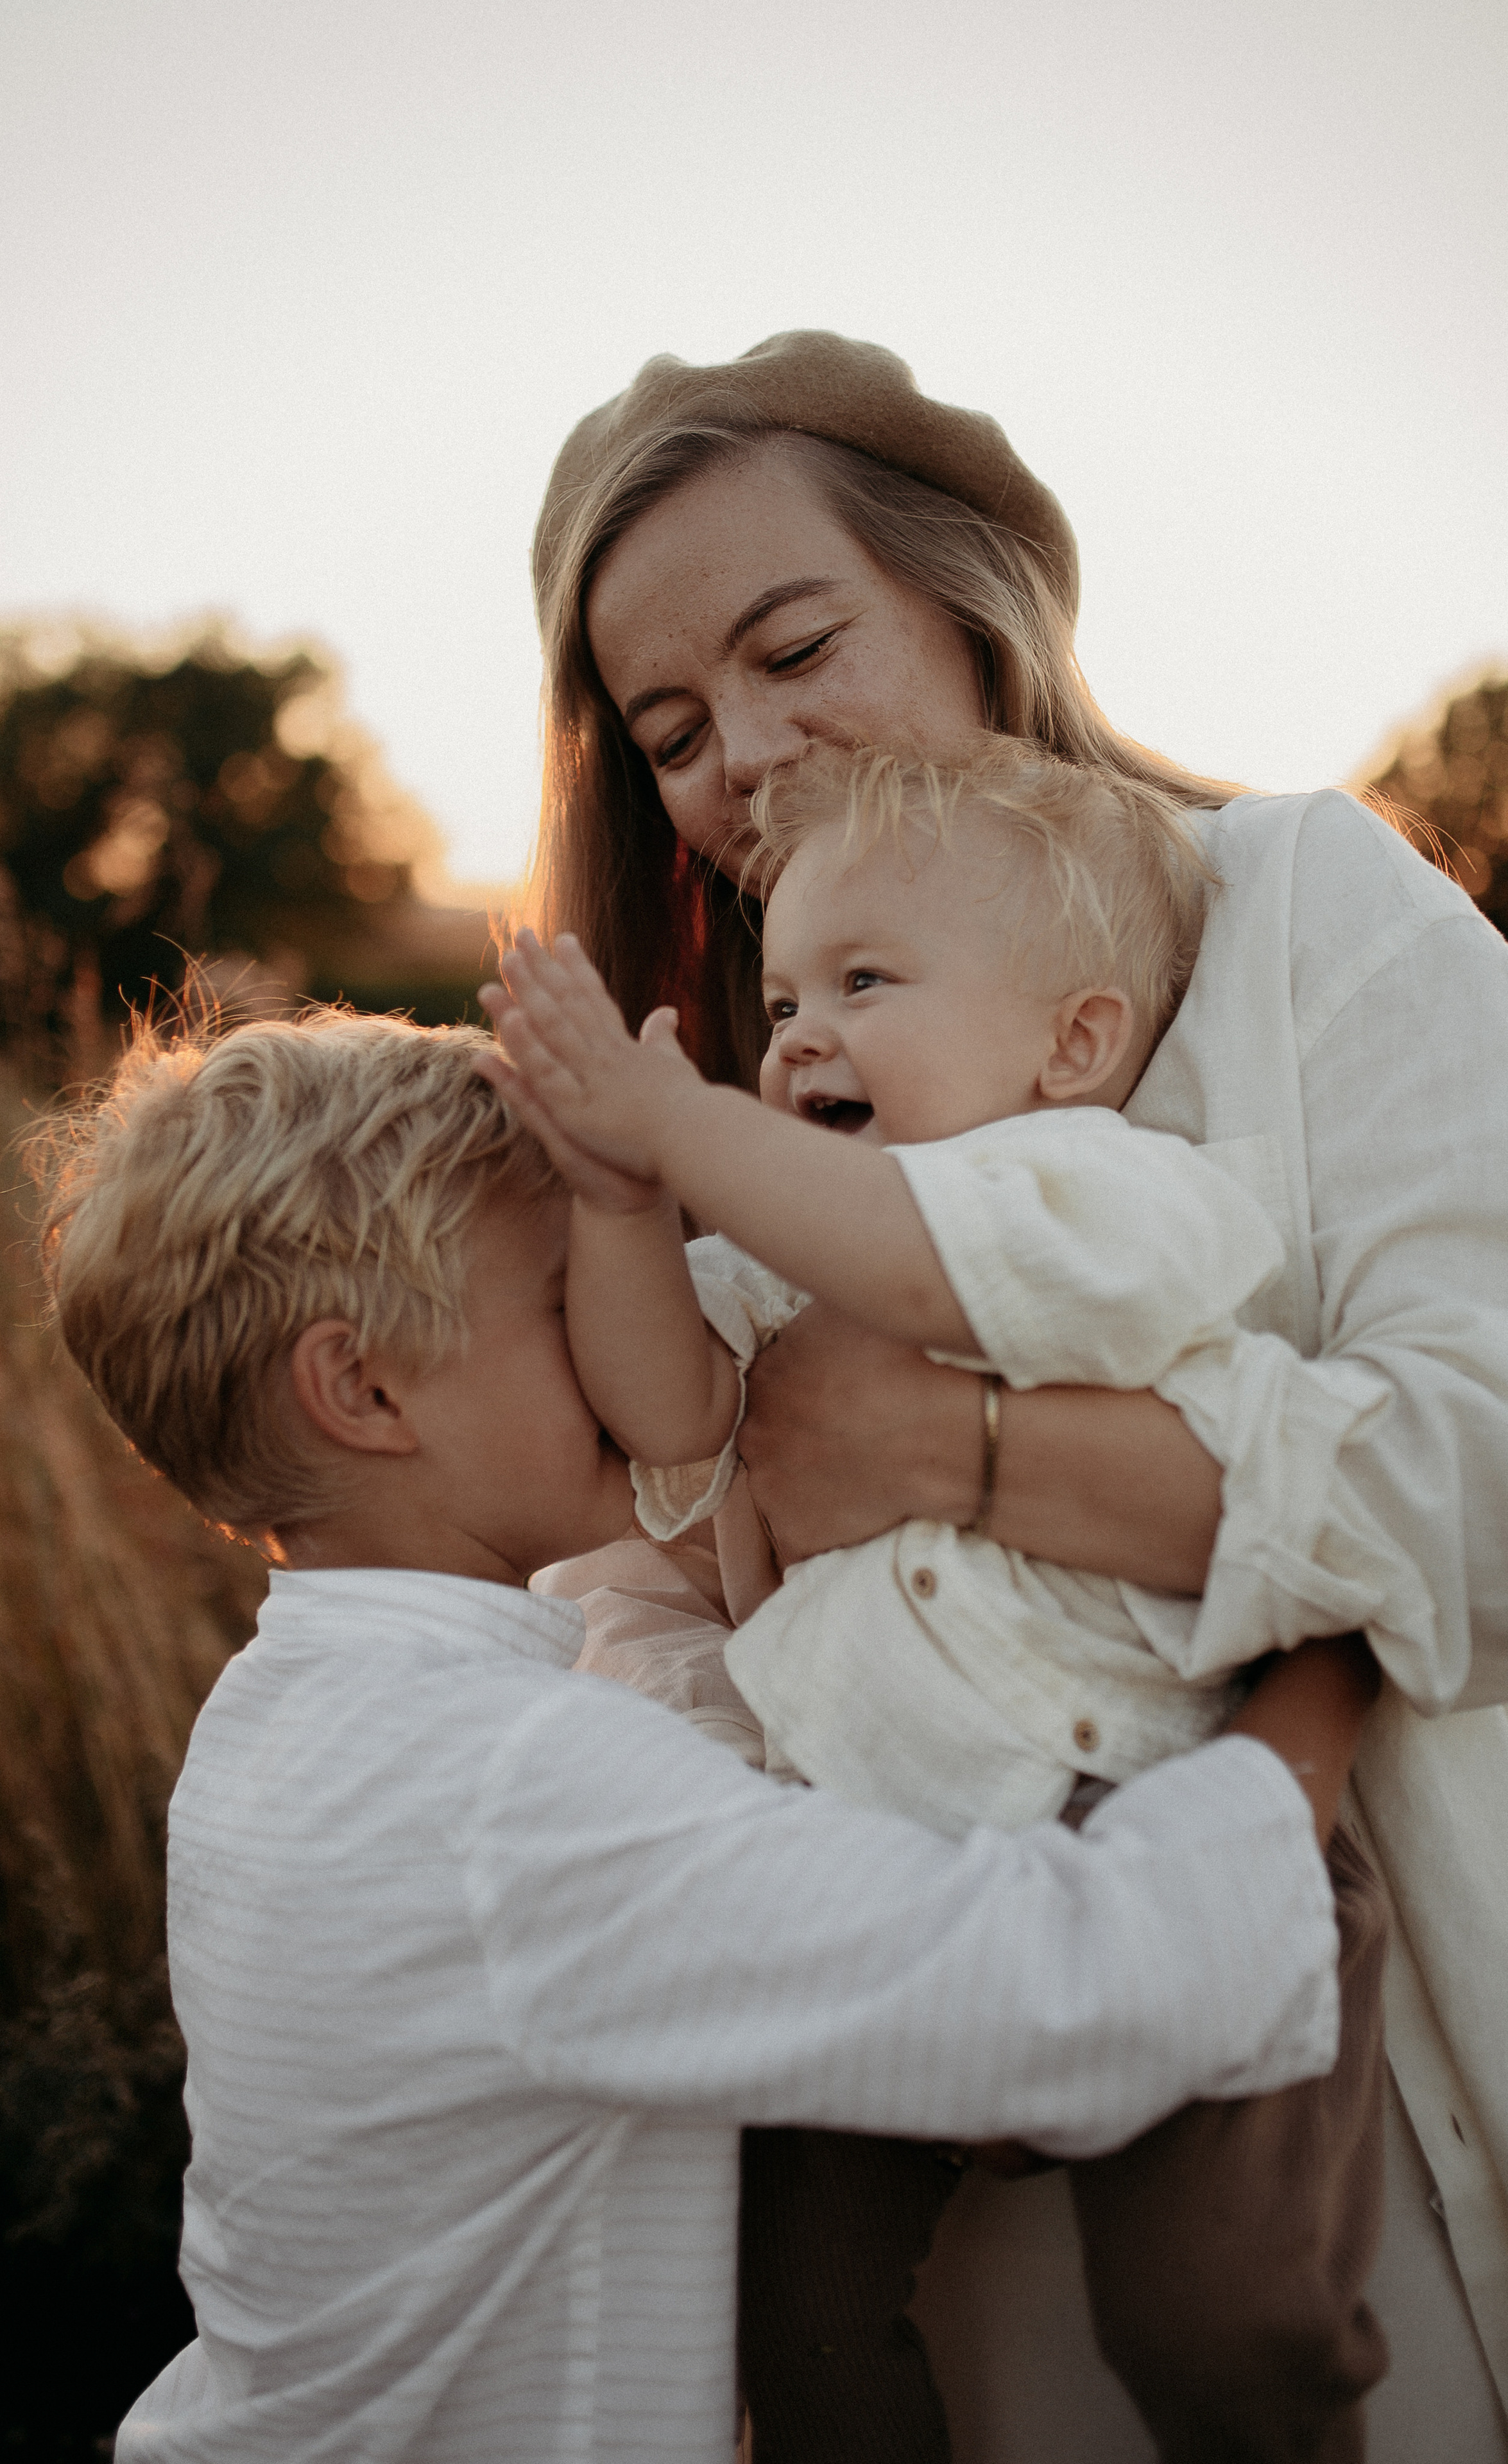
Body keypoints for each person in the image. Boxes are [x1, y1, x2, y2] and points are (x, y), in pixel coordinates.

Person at [526, 331, 1508, 2452]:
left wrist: (968, 1451)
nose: (748, 756)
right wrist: (861, 1885)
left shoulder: (1300, 903)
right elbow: (630, 1582)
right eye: (672, 727)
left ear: (979, 605)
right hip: (923, 2071)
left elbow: (1491, 1478)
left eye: (800, 648)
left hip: (1359, 2058)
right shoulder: (743, 1079)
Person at [31, 1005, 1355, 2464]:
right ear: (363, 1390)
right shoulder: (508, 1786)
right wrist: (1321, 1649)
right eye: (560, 1296)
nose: (633, 1325)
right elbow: (1069, 1990)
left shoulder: (277, 1725)